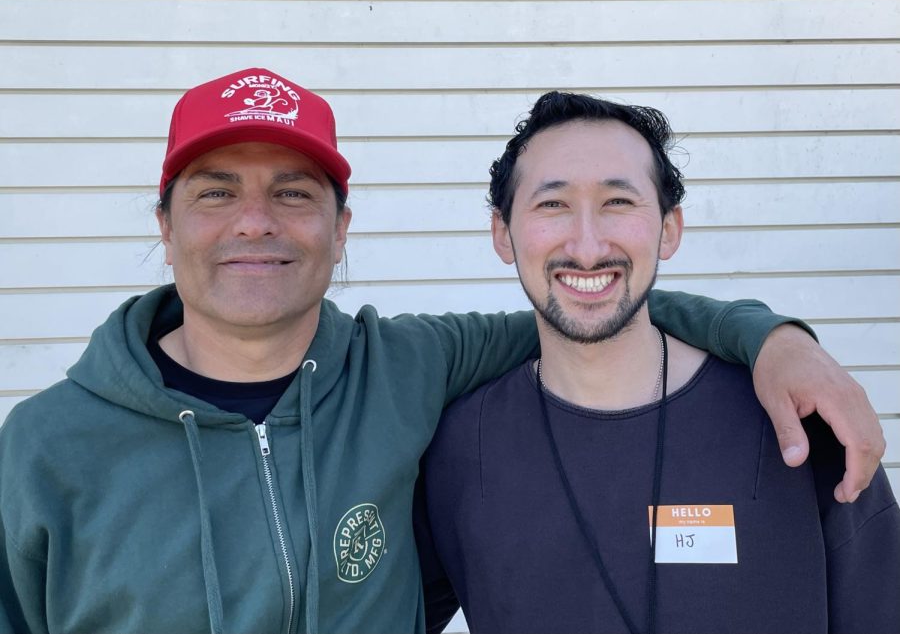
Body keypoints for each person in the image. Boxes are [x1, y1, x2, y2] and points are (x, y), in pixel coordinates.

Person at [0, 68, 885, 634]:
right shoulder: (41, 450)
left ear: (342, 230)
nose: (256, 221)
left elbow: (595, 300)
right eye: (216, 190)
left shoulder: (405, 371)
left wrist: (770, 339)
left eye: (295, 192)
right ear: (164, 225)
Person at [417, 92, 900, 634]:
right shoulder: (458, 449)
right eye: (551, 204)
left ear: (670, 228)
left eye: (618, 202)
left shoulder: (796, 421)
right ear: (502, 234)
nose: (587, 244)